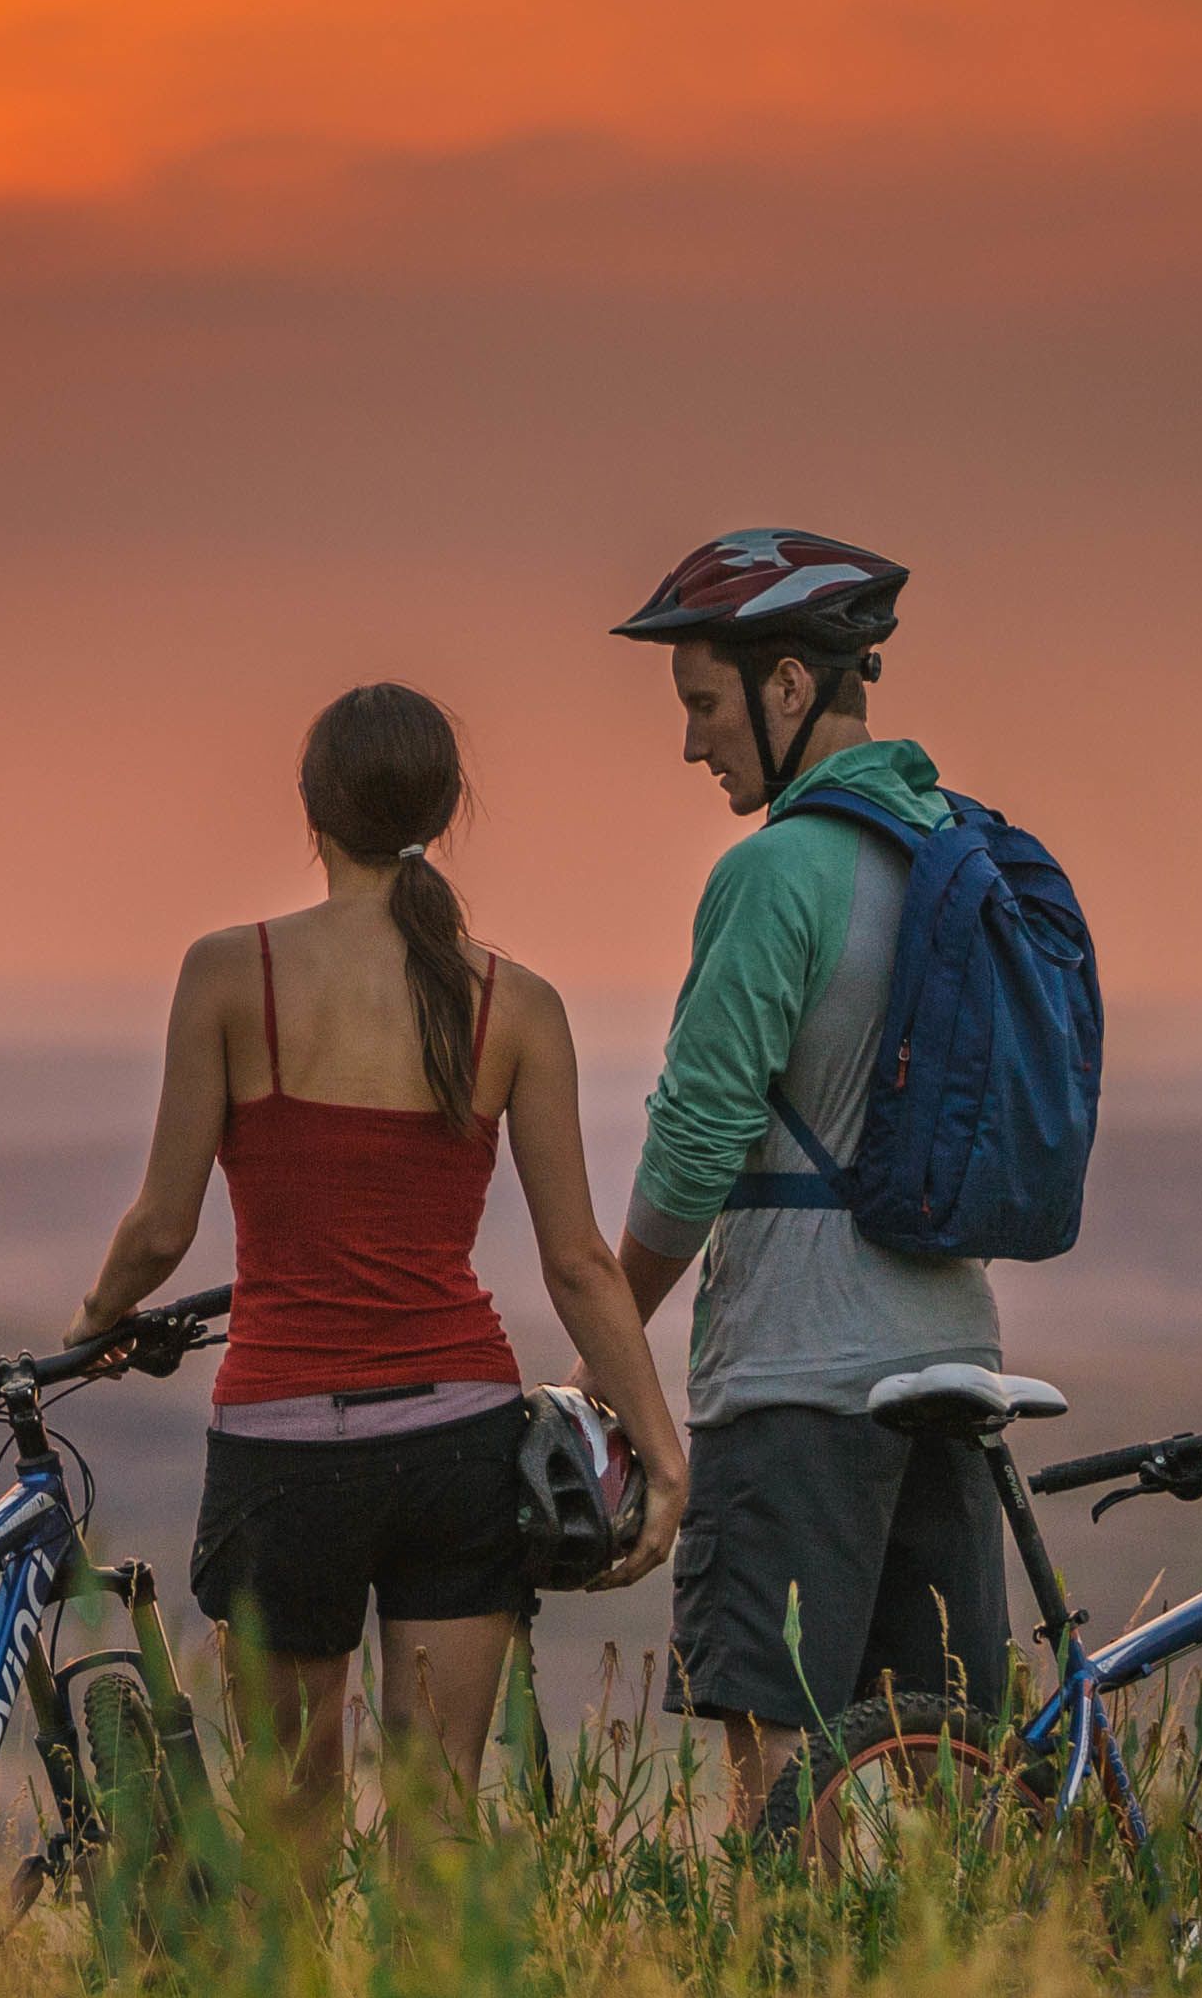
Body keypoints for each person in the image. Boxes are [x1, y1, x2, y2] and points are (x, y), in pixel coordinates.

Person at [75, 684, 688, 1866]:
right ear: (447, 810)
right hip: (455, 1437)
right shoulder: (516, 1003)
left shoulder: (225, 975)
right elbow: (577, 1261)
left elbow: (158, 1228)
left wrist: (94, 1318)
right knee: (435, 1808)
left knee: (289, 1814)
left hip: (282, 1446)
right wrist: (659, 1449)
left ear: (309, 809)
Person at [606, 529, 1014, 1831]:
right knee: (950, 1772)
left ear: (789, 686)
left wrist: (609, 1328)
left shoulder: (773, 872)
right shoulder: (957, 857)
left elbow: (696, 1139)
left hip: (794, 1376)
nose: (689, 745)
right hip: (949, 1361)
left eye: (703, 703)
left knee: (780, 1786)